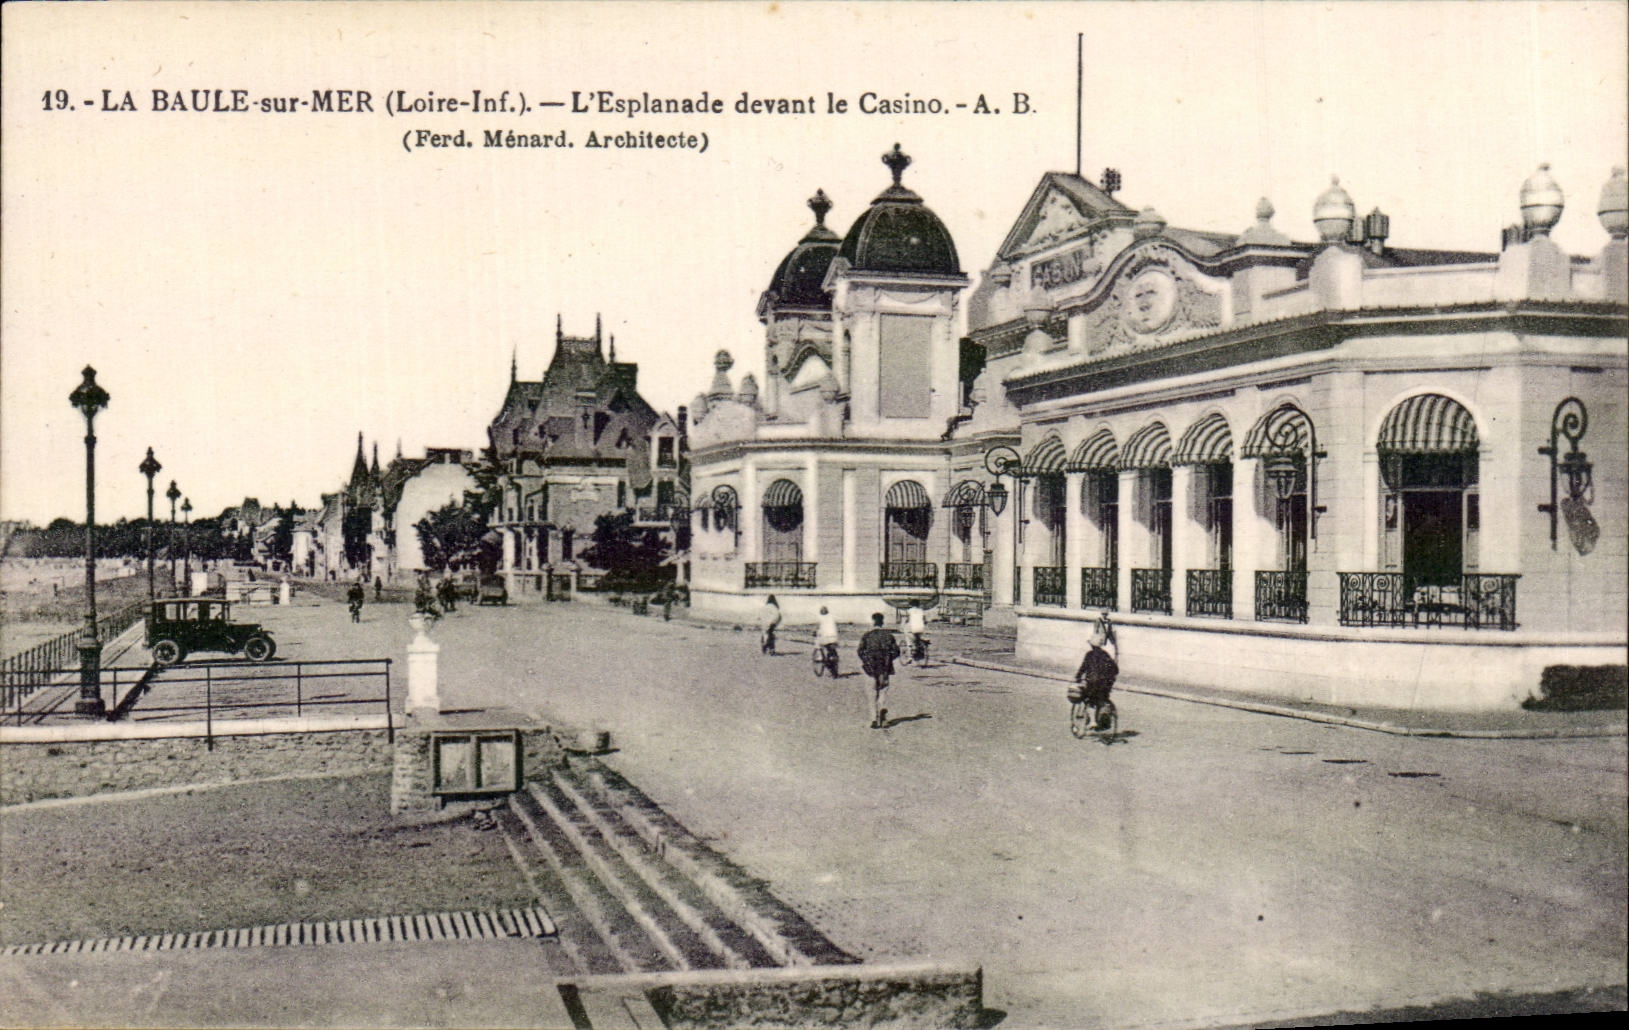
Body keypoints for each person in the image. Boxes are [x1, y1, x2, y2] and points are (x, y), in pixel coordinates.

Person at [1072, 611, 1120, 729]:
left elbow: (1082, 668)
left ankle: (1093, 720)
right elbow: (1115, 669)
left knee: (1089, 699)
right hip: (1105, 685)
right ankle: (1104, 715)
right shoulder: (1105, 655)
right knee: (1102, 698)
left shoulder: (1089, 655)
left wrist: (1077, 677)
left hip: (1093, 683)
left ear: (1092, 645)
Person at [857, 612, 900, 729]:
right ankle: (882, 711)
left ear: (873, 621)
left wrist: (866, 661)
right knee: (883, 691)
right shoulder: (888, 636)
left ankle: (873, 719)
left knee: (871, 693)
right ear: (883, 622)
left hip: (870, 668)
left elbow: (860, 651)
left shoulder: (867, 636)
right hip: (885, 668)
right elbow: (896, 652)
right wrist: (889, 660)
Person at [815, 605, 840, 674]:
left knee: (819, 643)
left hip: (825, 638)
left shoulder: (820, 618)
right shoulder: (832, 617)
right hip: (834, 637)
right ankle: (834, 663)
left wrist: (815, 632)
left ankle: (820, 657)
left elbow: (818, 627)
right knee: (832, 650)